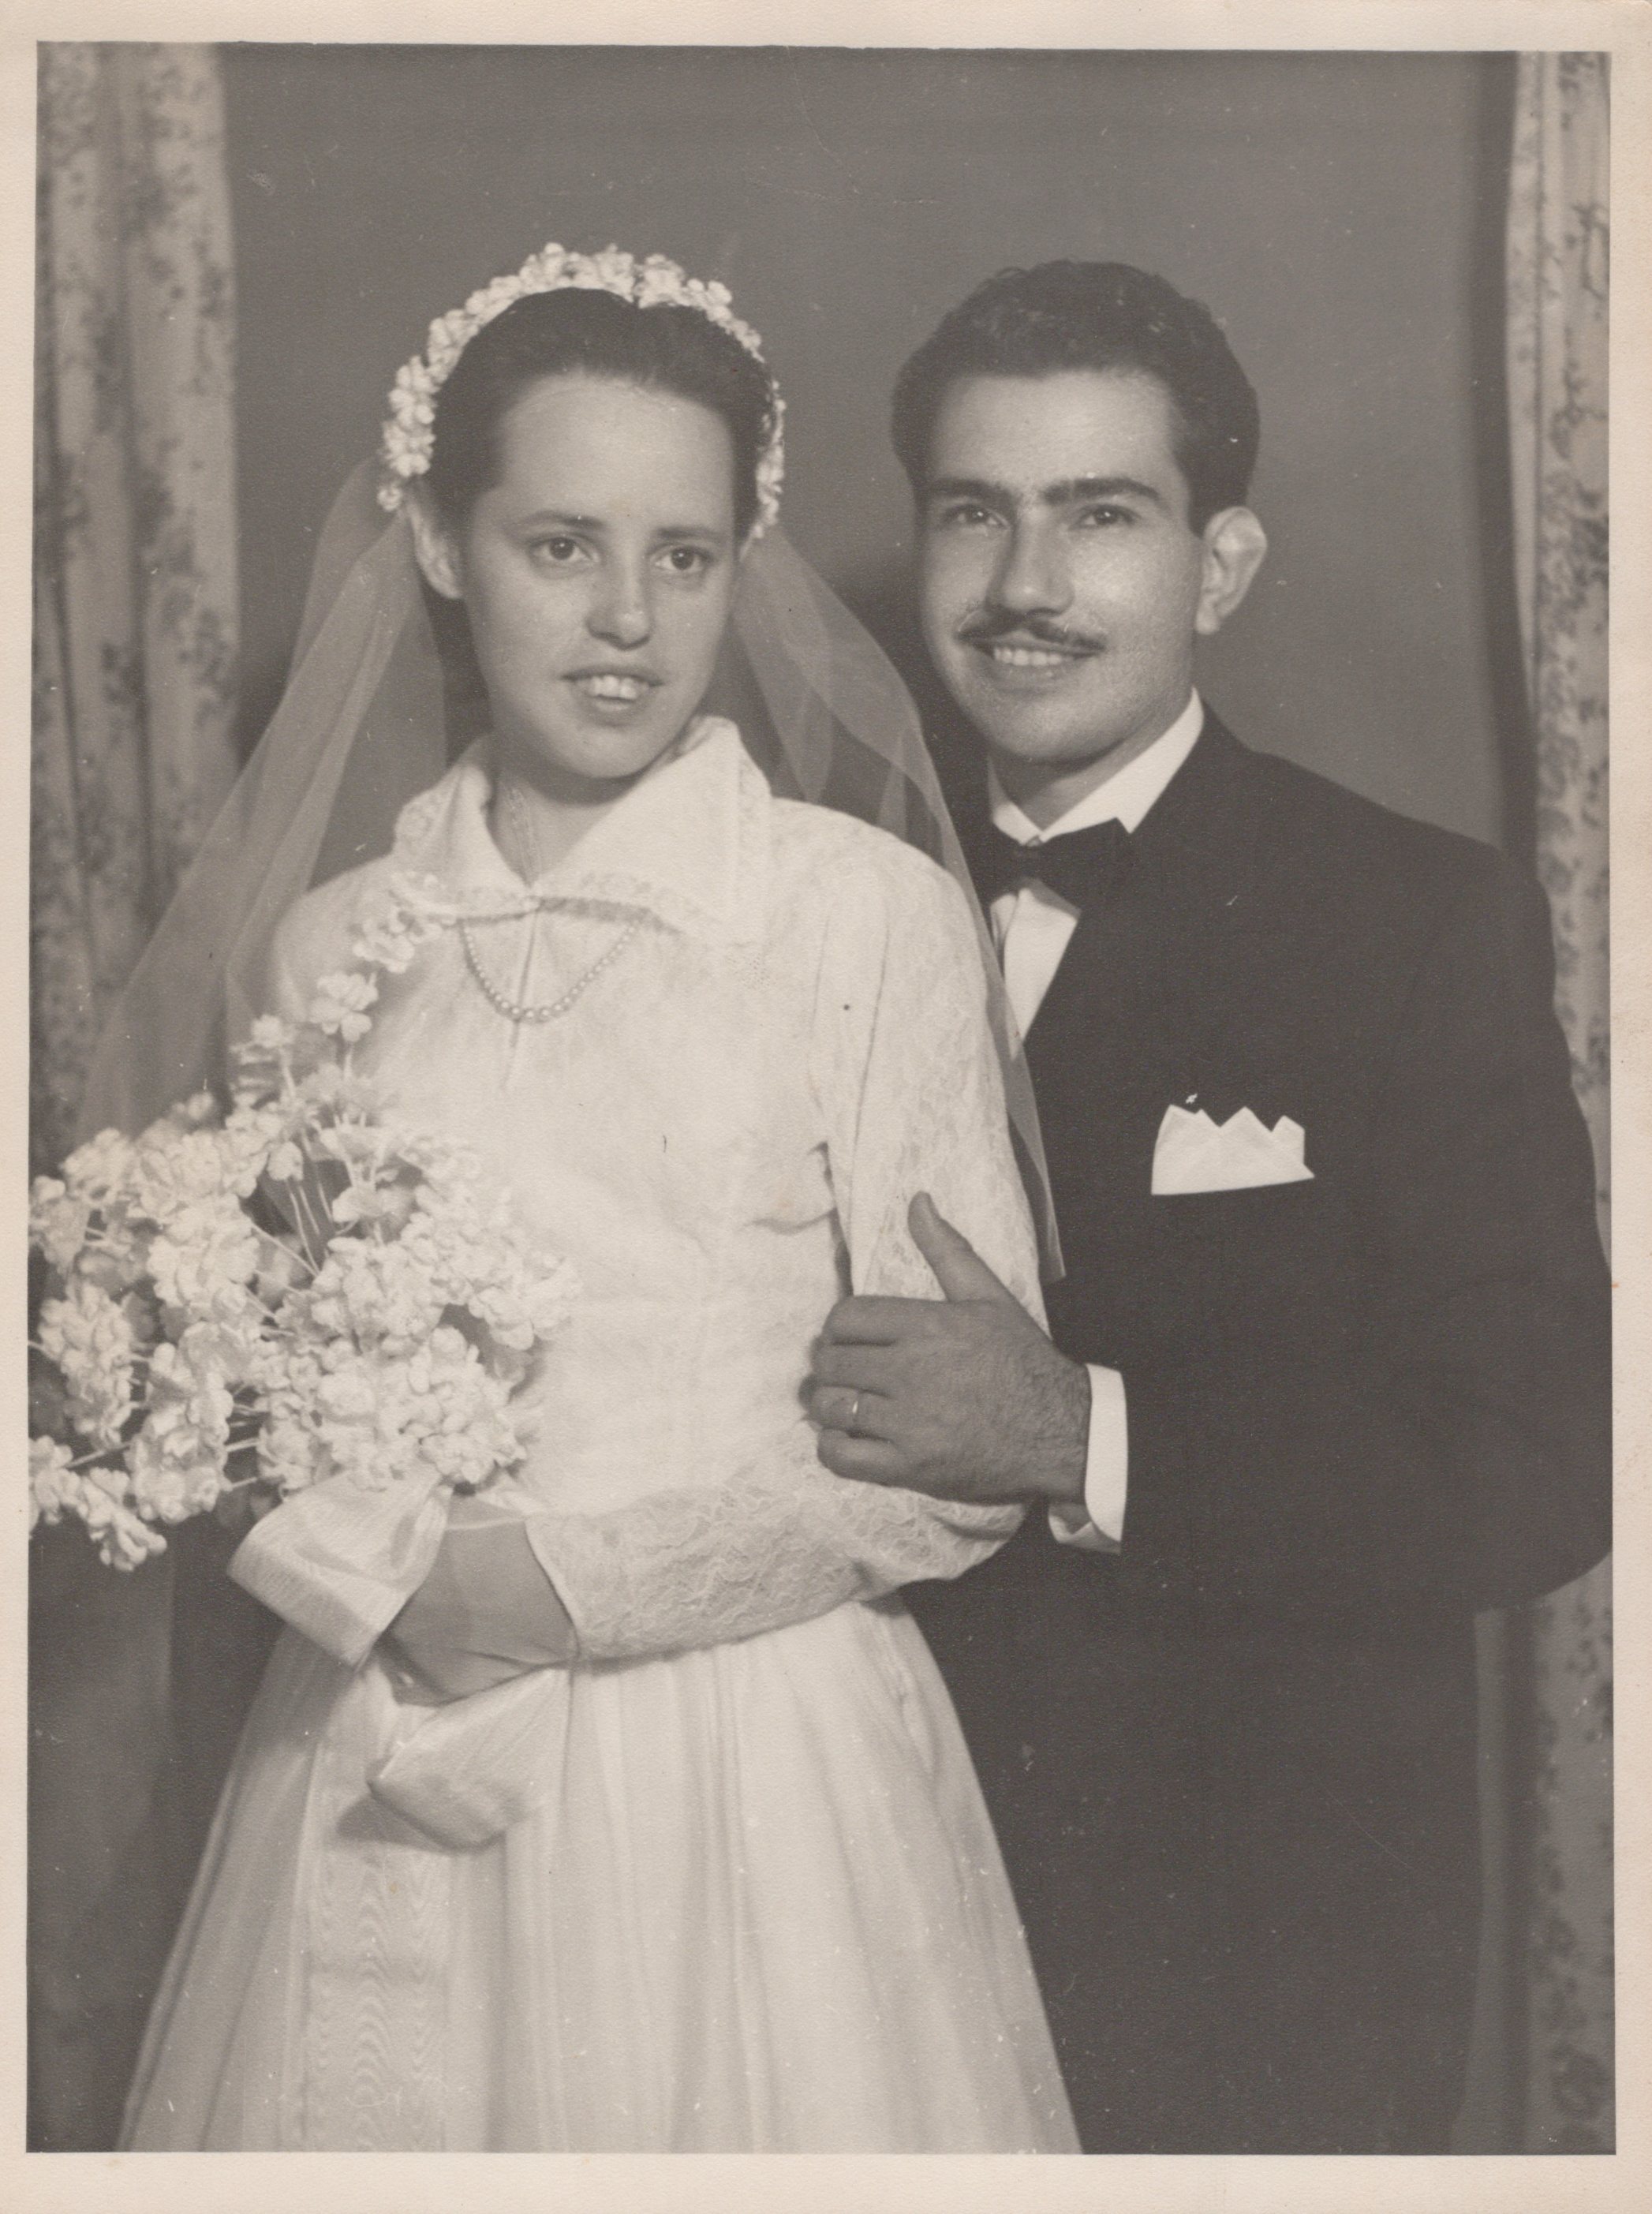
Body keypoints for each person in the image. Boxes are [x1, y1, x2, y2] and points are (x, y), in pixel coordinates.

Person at [110, 246, 1078, 2152]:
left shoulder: (853, 912)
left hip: (749, 1765)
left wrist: (557, 1591)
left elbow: (958, 1469)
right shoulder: (333, 946)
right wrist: (365, 1559)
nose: (629, 617)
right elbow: (243, 1382)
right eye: (561, 545)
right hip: (375, 1736)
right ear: (440, 543)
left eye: (685, 555)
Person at [806, 260, 1613, 2153]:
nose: (1024, 582)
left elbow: (1540, 1461)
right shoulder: (801, 903)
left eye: (1101, 514)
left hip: (1262, 1950)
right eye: (974, 512)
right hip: (852, 1905)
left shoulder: (1414, 920)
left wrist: (1075, 1431)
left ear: (1220, 565)